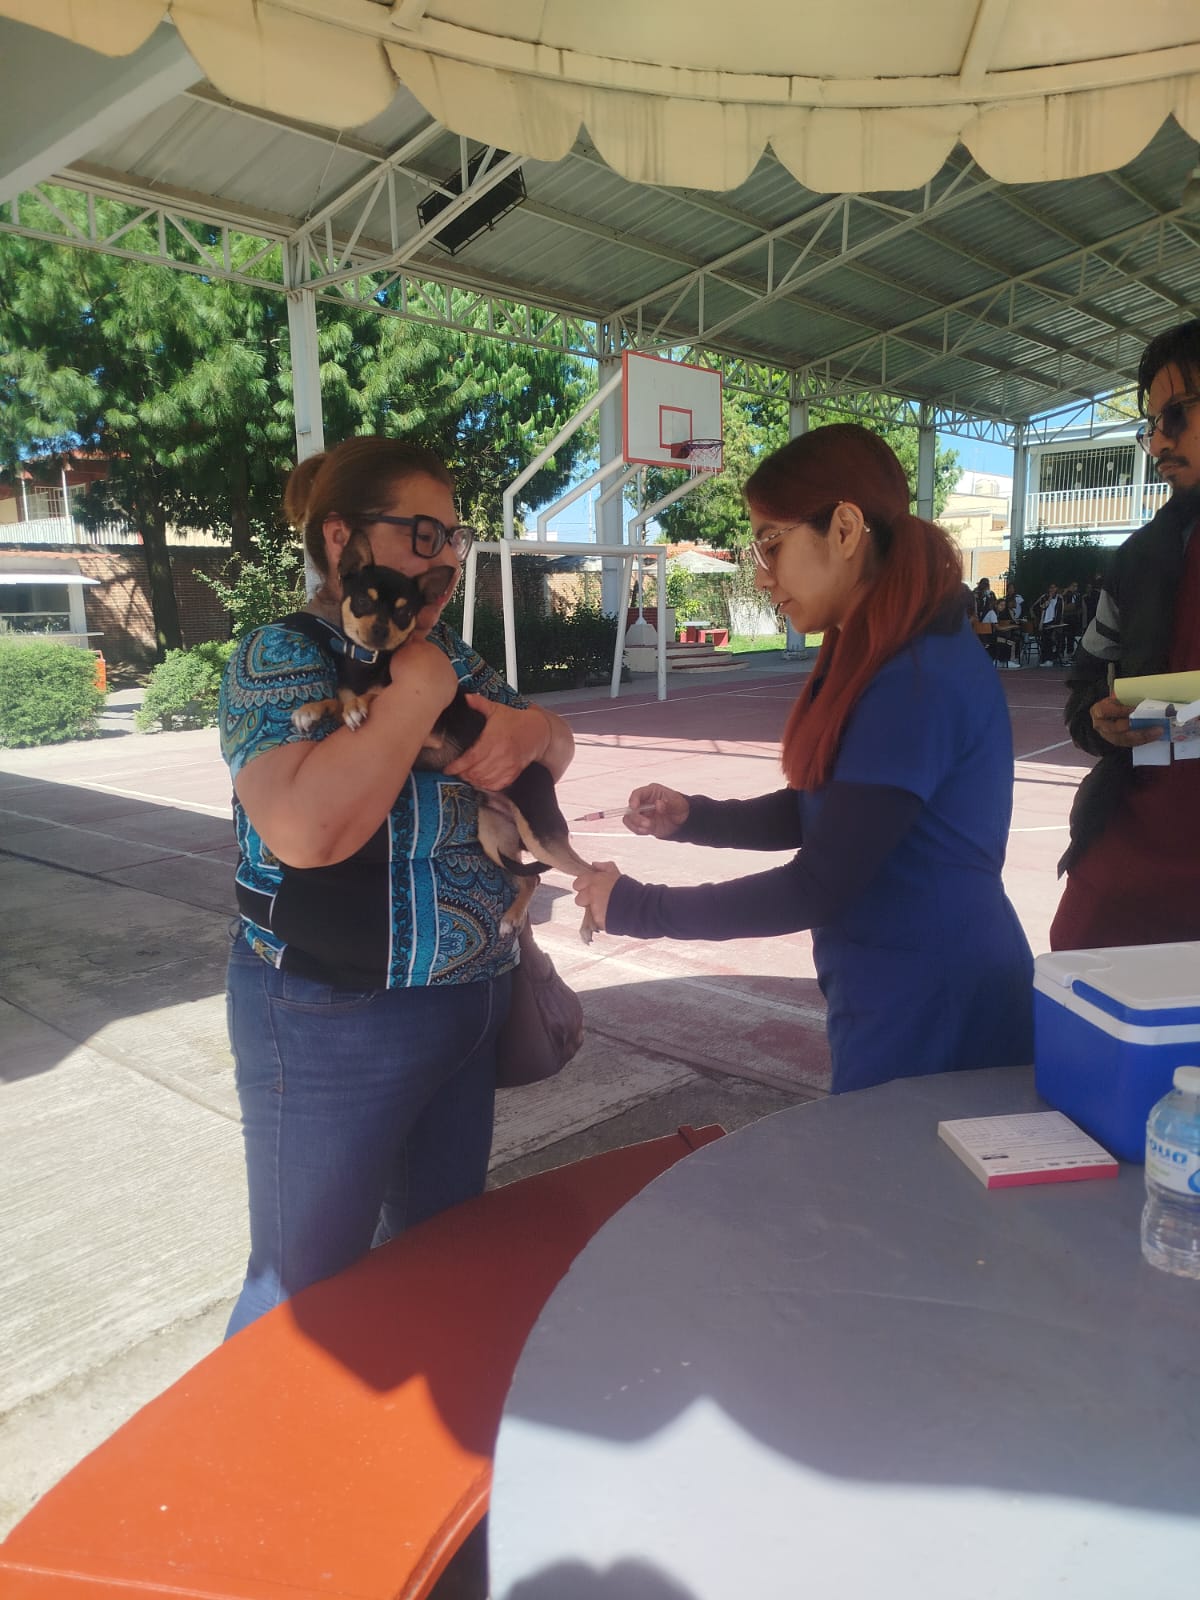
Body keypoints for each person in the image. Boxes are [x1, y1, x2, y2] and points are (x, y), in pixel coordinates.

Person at [217, 437, 576, 1336]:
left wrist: (532, 733)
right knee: (301, 1291)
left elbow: (556, 745)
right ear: (341, 541)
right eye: (422, 534)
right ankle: (260, 1467)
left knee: (439, 1253)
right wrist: (415, 692)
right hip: (333, 1019)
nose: (446, 557)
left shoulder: (448, 648)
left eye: (452, 537)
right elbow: (307, 830)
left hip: (467, 1002)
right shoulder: (281, 655)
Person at [572, 424, 1033, 1095]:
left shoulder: (914, 677)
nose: (762, 576)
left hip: (936, 1000)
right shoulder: (881, 650)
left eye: (771, 543)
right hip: (896, 985)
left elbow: (820, 882)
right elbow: (829, 810)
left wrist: (640, 908)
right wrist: (694, 816)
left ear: (845, 530)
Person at [1051, 319, 1200, 950]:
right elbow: (1086, 684)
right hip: (1127, 880)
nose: (1159, 441)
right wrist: (1102, 720)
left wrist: (1172, 710)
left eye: (1178, 415)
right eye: (1152, 425)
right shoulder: (1141, 557)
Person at [1035, 583, 1066, 665]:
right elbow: (1042, 607)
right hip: (1045, 621)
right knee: (1046, 640)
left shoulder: (1059, 599)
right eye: (1051, 588)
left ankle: (1053, 657)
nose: (1052, 589)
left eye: (1054, 588)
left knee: (1054, 639)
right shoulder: (1044, 597)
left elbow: (1061, 610)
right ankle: (1046, 659)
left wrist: (1060, 621)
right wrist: (1049, 598)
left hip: (1054, 621)